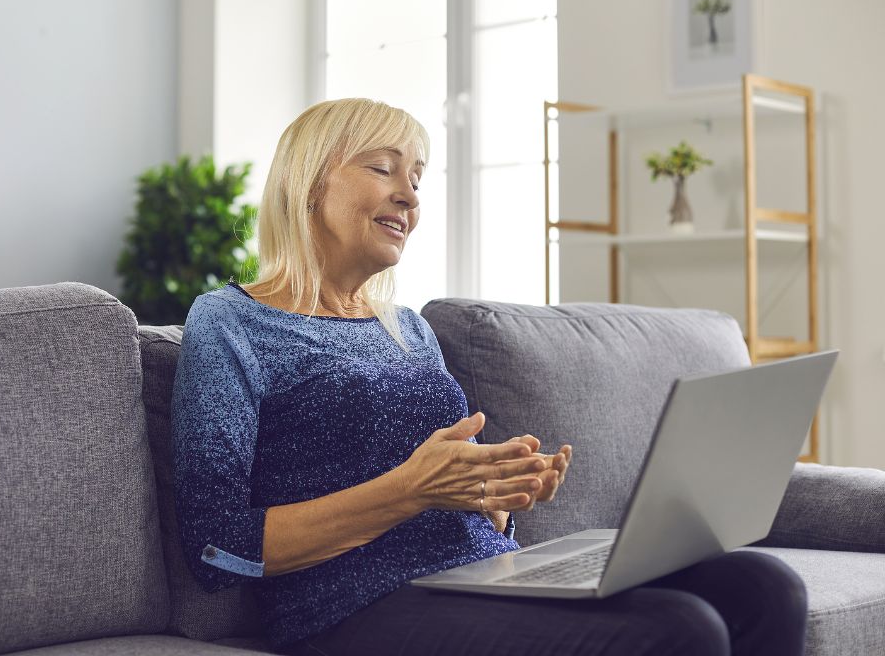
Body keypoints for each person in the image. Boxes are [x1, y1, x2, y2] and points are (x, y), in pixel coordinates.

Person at [171, 98, 808, 656]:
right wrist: (407, 492)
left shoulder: (408, 328)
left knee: (762, 585)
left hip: (480, 573)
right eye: (382, 168)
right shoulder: (230, 322)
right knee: (680, 629)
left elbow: (455, 485)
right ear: (310, 184)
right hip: (350, 606)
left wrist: (500, 495)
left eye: (416, 178)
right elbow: (215, 547)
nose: (410, 196)